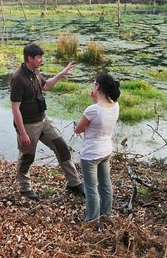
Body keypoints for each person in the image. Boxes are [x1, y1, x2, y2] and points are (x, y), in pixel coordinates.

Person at [10, 43, 83, 200]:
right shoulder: (18, 78)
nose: (41, 60)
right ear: (30, 58)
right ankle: (24, 188)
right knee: (27, 157)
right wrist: (23, 133)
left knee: (62, 147)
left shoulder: (34, 72)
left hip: (43, 121)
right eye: (39, 57)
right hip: (28, 125)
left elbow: (46, 86)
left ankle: (73, 183)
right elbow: (15, 108)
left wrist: (62, 73)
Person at [74, 74, 120, 222]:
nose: (93, 86)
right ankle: (106, 214)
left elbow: (78, 129)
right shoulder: (115, 105)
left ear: (98, 87)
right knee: (105, 185)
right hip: (106, 150)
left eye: (94, 84)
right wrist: (96, 101)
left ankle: (92, 220)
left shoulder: (92, 110)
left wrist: (94, 103)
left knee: (91, 188)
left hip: (91, 154)